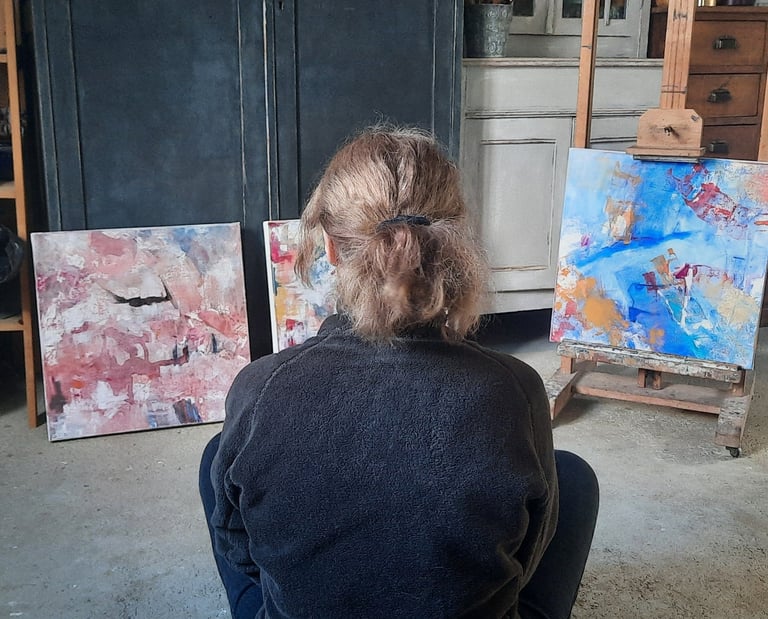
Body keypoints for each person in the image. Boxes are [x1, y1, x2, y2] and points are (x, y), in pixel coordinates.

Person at [199, 126, 599, 618]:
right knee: (572, 477)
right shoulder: (514, 387)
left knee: (218, 456)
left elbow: (240, 549)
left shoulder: (261, 386)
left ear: (330, 247)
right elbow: (528, 554)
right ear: (452, 243)